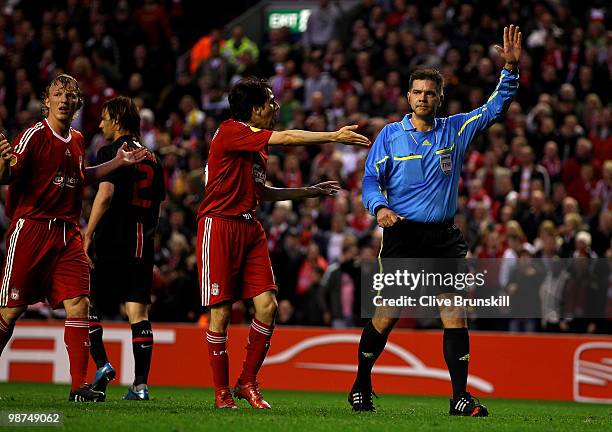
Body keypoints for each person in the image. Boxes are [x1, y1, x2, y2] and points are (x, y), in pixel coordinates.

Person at [353, 25, 522, 415]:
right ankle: (361, 383)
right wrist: (378, 207)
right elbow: (370, 179)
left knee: (454, 312)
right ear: (408, 96)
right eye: (417, 92)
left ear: (439, 97)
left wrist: (509, 70)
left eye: (430, 93)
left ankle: (459, 398)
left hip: (444, 237)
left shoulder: (455, 130)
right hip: (403, 236)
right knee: (387, 314)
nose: (423, 98)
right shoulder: (390, 137)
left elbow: (494, 108)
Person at [199, 77, 369, 409]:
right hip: (219, 225)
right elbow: (289, 137)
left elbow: (260, 193)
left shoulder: (255, 147)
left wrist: (307, 191)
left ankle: (246, 382)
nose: (276, 108)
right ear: (255, 109)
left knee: (268, 306)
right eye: (271, 102)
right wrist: (333, 135)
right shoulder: (232, 130)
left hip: (250, 227)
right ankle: (221, 392)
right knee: (220, 312)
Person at [0, 74, 147, 402]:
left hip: (68, 232)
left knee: (79, 304)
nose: (64, 99)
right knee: (10, 312)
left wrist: (116, 162)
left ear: (78, 103)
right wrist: (1, 162)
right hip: (33, 229)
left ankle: (78, 386)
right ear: (46, 102)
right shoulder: (34, 136)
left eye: (70, 95)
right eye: (58, 94)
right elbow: (8, 175)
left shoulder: (79, 139)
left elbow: (82, 177)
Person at [83, 96, 165, 401]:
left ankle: (103, 365)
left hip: (110, 238)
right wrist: (147, 232)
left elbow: (104, 195)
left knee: (90, 307)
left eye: (105, 117)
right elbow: (157, 209)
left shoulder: (112, 153)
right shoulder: (154, 159)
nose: (101, 123)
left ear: (117, 120)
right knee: (138, 312)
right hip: (142, 240)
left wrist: (88, 234)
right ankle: (140, 385)